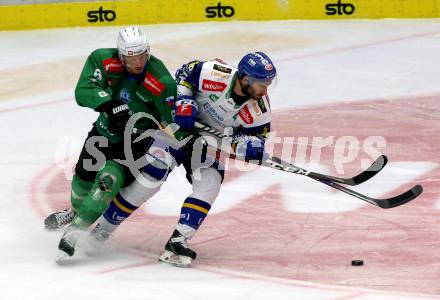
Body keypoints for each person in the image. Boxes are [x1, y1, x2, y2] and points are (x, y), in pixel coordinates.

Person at [87, 52, 276, 267]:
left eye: (268, 83)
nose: (265, 89)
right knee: (151, 177)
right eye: (262, 83)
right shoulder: (214, 73)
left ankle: (178, 241)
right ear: (245, 78)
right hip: (179, 132)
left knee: (210, 184)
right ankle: (102, 229)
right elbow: (184, 74)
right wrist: (185, 101)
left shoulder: (259, 109)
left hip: (208, 145)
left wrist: (251, 146)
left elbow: (258, 136)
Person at [45, 26, 180, 259]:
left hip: (132, 146)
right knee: (82, 181)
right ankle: (75, 211)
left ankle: (74, 232)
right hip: (102, 133)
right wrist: (109, 104)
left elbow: (174, 122)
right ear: (121, 55)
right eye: (131, 58)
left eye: (142, 56)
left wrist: (186, 138)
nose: (138, 62)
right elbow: (83, 90)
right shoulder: (102, 59)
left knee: (106, 184)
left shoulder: (162, 81)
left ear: (148, 52)